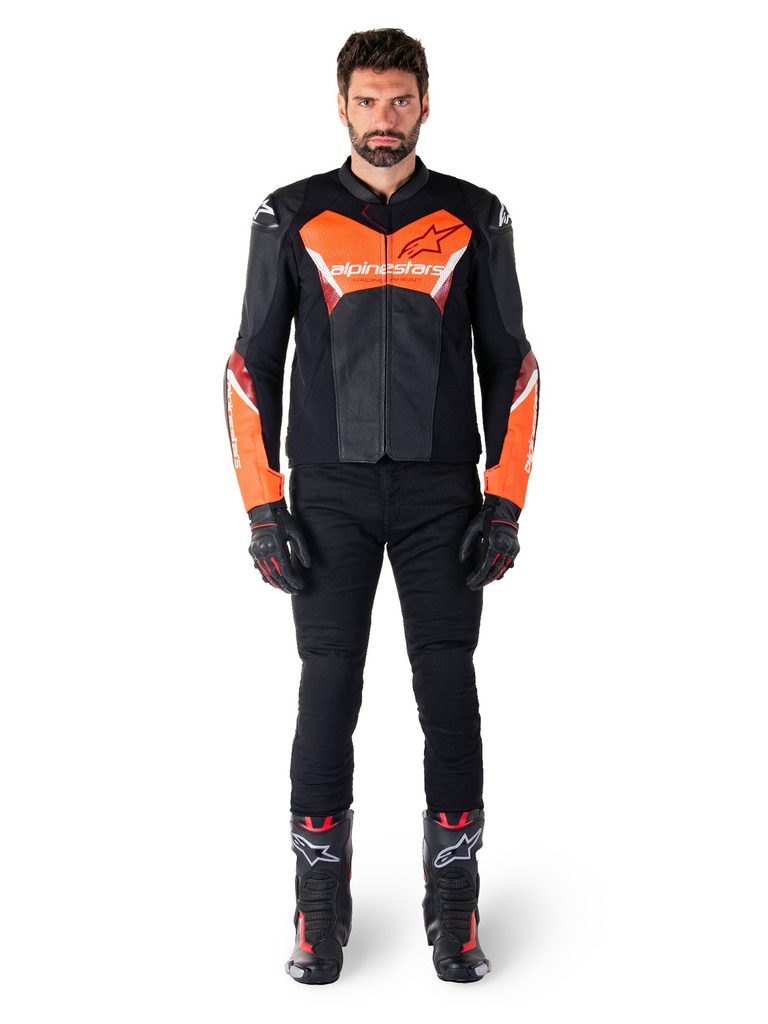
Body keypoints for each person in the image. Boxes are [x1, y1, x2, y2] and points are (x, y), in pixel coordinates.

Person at [223, 27, 540, 985]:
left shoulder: (476, 215)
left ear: (426, 105)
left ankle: (455, 901)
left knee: (448, 689)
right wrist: (263, 507)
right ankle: (319, 904)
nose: (384, 118)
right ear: (341, 107)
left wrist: (505, 502)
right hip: (329, 494)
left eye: (400, 99)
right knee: (329, 687)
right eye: (367, 100)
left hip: (445, 493)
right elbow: (249, 365)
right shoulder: (290, 215)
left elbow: (513, 366)